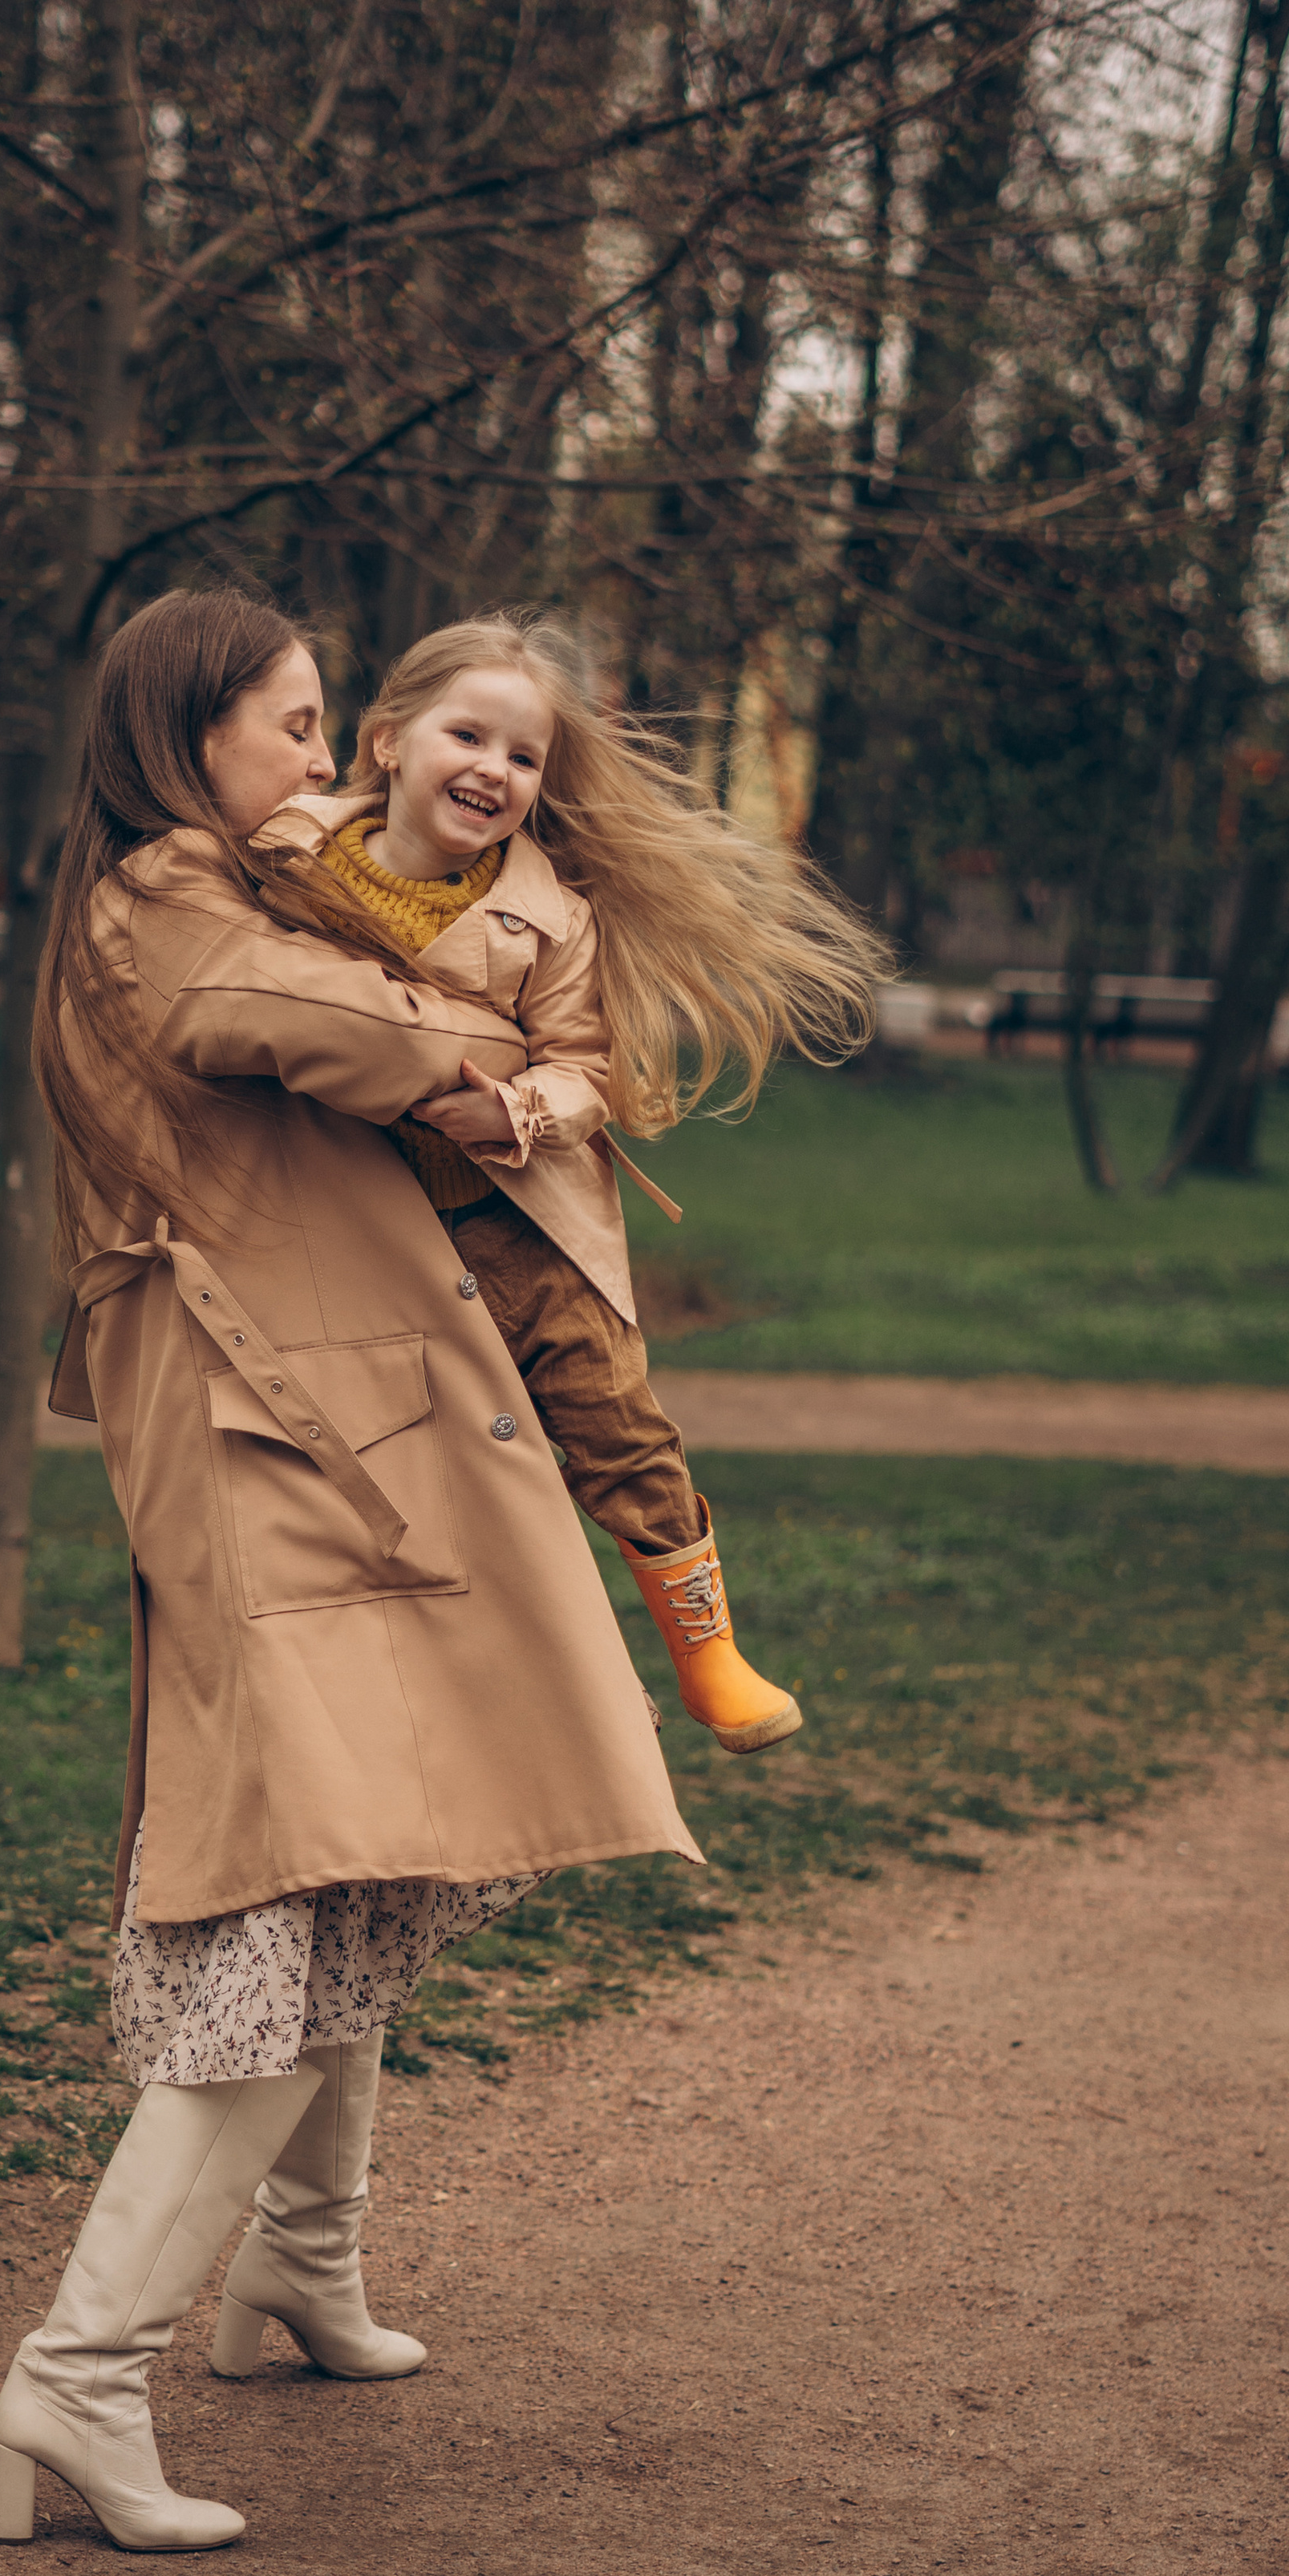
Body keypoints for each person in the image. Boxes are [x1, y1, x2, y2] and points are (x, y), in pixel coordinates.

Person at [0, 589, 699, 2558]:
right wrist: (528, 1045)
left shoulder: (236, 883)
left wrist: (530, 1046)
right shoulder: (166, 898)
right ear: (191, 731)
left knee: (379, 1846)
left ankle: (296, 2267)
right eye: (292, 729)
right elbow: (342, 1031)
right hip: (258, 1448)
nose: (316, 766)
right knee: (278, 1900)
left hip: (327, 1428)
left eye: (325, 728)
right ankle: (78, 2376)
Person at [295, 610, 883, 1754]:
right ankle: (433, 1675)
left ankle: (709, 1656)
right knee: (402, 1457)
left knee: (619, 1428)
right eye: (469, 736)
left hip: (518, 1226)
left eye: (525, 759)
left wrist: (510, 1109)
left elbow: (588, 1072)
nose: (495, 771)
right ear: (387, 743)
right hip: (365, 1231)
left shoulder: (549, 917)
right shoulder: (291, 857)